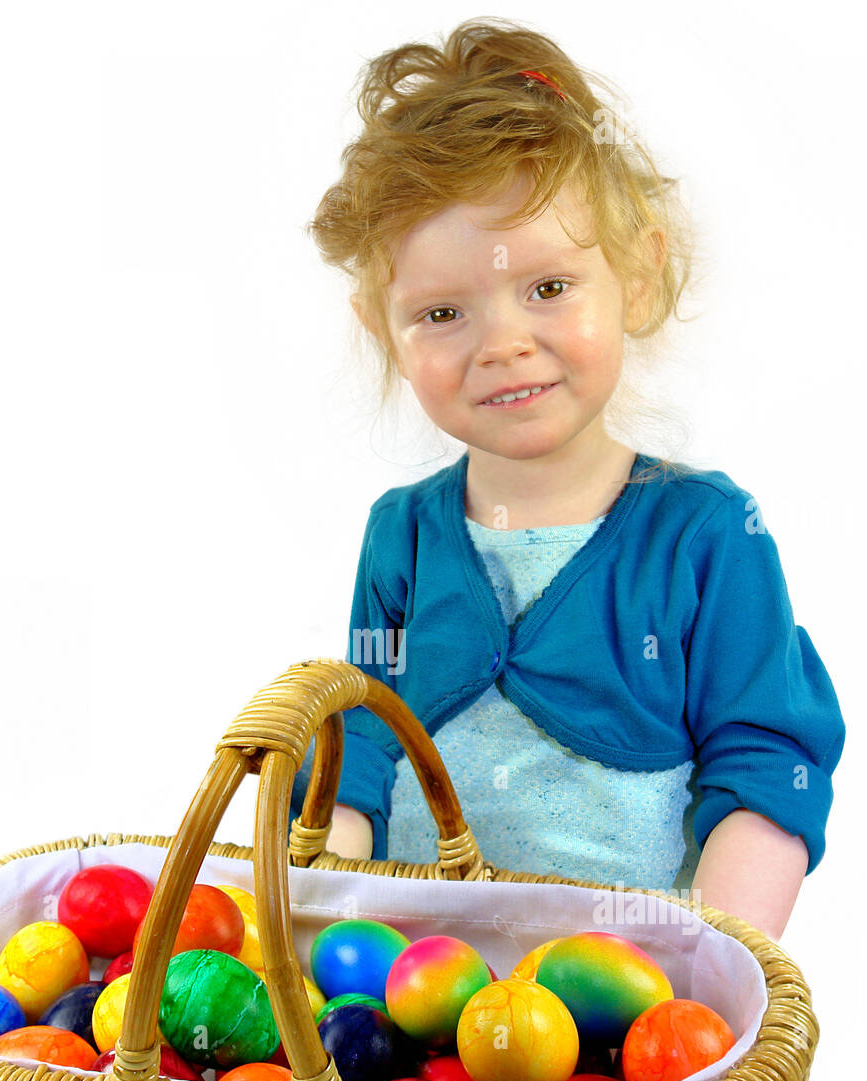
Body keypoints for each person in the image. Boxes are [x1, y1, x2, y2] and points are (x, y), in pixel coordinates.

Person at [289, 20, 844, 941]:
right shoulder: (404, 537)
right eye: (440, 312)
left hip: (625, 1017)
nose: (502, 343)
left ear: (635, 275)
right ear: (380, 328)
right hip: (414, 1015)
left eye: (548, 288)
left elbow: (766, 760)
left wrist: (709, 976)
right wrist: (317, 923)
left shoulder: (706, 534)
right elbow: (360, 739)